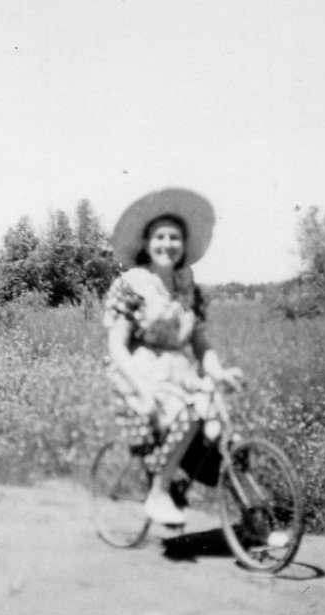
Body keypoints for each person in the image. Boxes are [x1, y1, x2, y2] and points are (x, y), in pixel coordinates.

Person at [103, 188, 243, 527]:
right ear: (147, 243)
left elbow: (199, 342)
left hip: (178, 372)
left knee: (226, 436)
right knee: (188, 417)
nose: (167, 244)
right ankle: (159, 491)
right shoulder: (132, 285)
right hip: (139, 371)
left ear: (183, 245)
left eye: (175, 237)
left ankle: (250, 518)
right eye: (160, 237)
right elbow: (117, 346)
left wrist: (218, 372)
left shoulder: (187, 287)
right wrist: (141, 388)